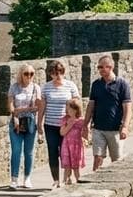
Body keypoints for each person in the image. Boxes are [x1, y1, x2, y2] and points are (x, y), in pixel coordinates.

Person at [84, 54, 133, 171]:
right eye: (99, 67)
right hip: (98, 128)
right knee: (97, 158)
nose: (100, 69)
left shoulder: (122, 84)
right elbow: (91, 105)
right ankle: (93, 184)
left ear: (110, 67)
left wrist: (125, 126)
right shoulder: (96, 84)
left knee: (116, 161)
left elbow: (127, 107)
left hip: (115, 129)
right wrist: (85, 123)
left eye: (103, 67)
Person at [39, 60, 80, 189]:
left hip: (67, 125)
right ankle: (56, 180)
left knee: (66, 151)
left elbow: (77, 105)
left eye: (61, 72)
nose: (58, 76)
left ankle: (67, 177)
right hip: (50, 124)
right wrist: (39, 123)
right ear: (50, 74)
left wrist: (79, 122)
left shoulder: (70, 86)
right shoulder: (46, 87)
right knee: (52, 152)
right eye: (55, 73)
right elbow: (42, 107)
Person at [7, 64, 42, 190]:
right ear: (21, 74)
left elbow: (37, 106)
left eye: (31, 74)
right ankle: (14, 179)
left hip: (30, 122)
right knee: (16, 151)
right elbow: (10, 107)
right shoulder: (14, 87)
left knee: (29, 152)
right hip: (16, 122)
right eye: (26, 73)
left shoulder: (36, 88)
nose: (29, 76)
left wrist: (21, 109)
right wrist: (18, 114)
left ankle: (27, 178)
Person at [58, 98, 86, 185]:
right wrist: (69, 124)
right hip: (67, 145)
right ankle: (65, 180)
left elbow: (85, 134)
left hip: (77, 145)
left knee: (76, 166)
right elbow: (62, 133)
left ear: (76, 109)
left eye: (69, 108)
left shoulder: (81, 120)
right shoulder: (65, 119)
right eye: (67, 108)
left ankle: (78, 180)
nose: (67, 110)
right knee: (67, 165)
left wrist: (85, 137)